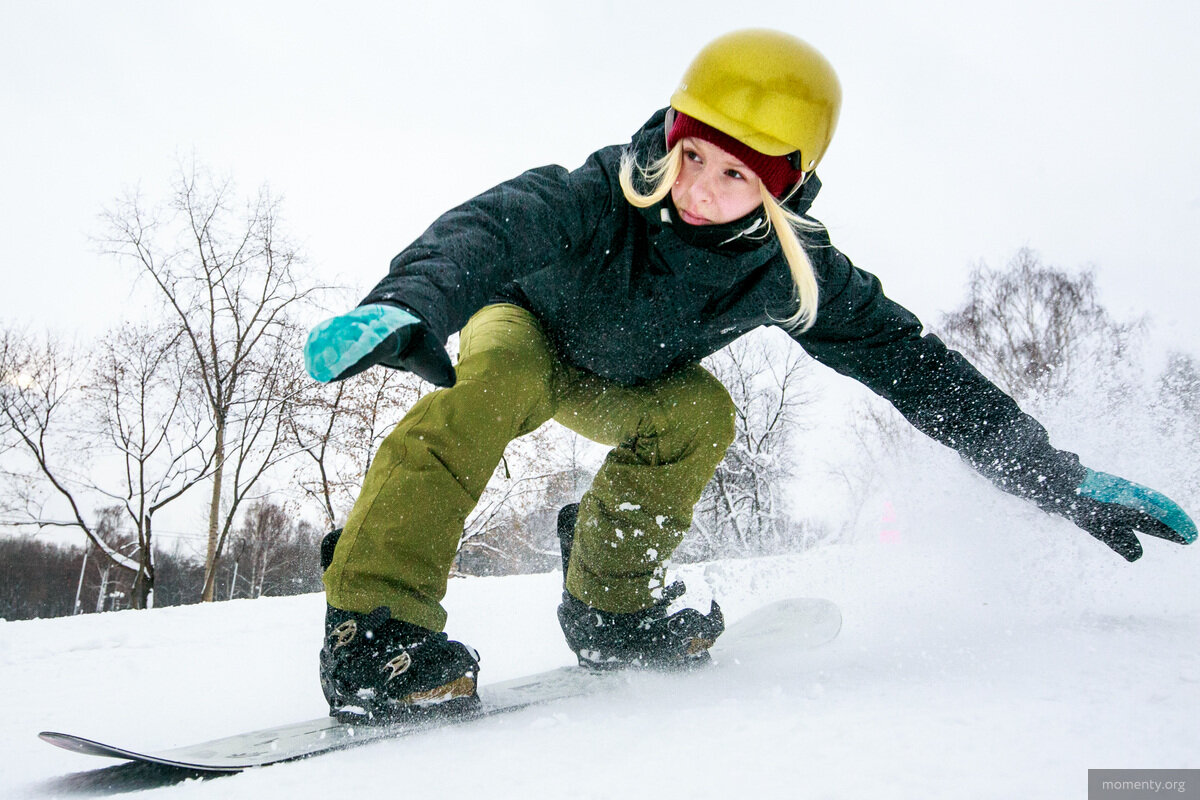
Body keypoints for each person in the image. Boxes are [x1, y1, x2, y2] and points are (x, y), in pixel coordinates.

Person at [304, 29, 1196, 720]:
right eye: (692, 154)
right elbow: (492, 227)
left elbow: (916, 369)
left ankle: (610, 607)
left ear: (782, 185)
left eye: (734, 173)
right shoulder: (606, 186)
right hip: (528, 331)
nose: (696, 186)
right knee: (488, 378)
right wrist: (414, 301)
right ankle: (374, 624)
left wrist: (1051, 477)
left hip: (630, 387)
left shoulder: (788, 267)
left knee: (701, 414)